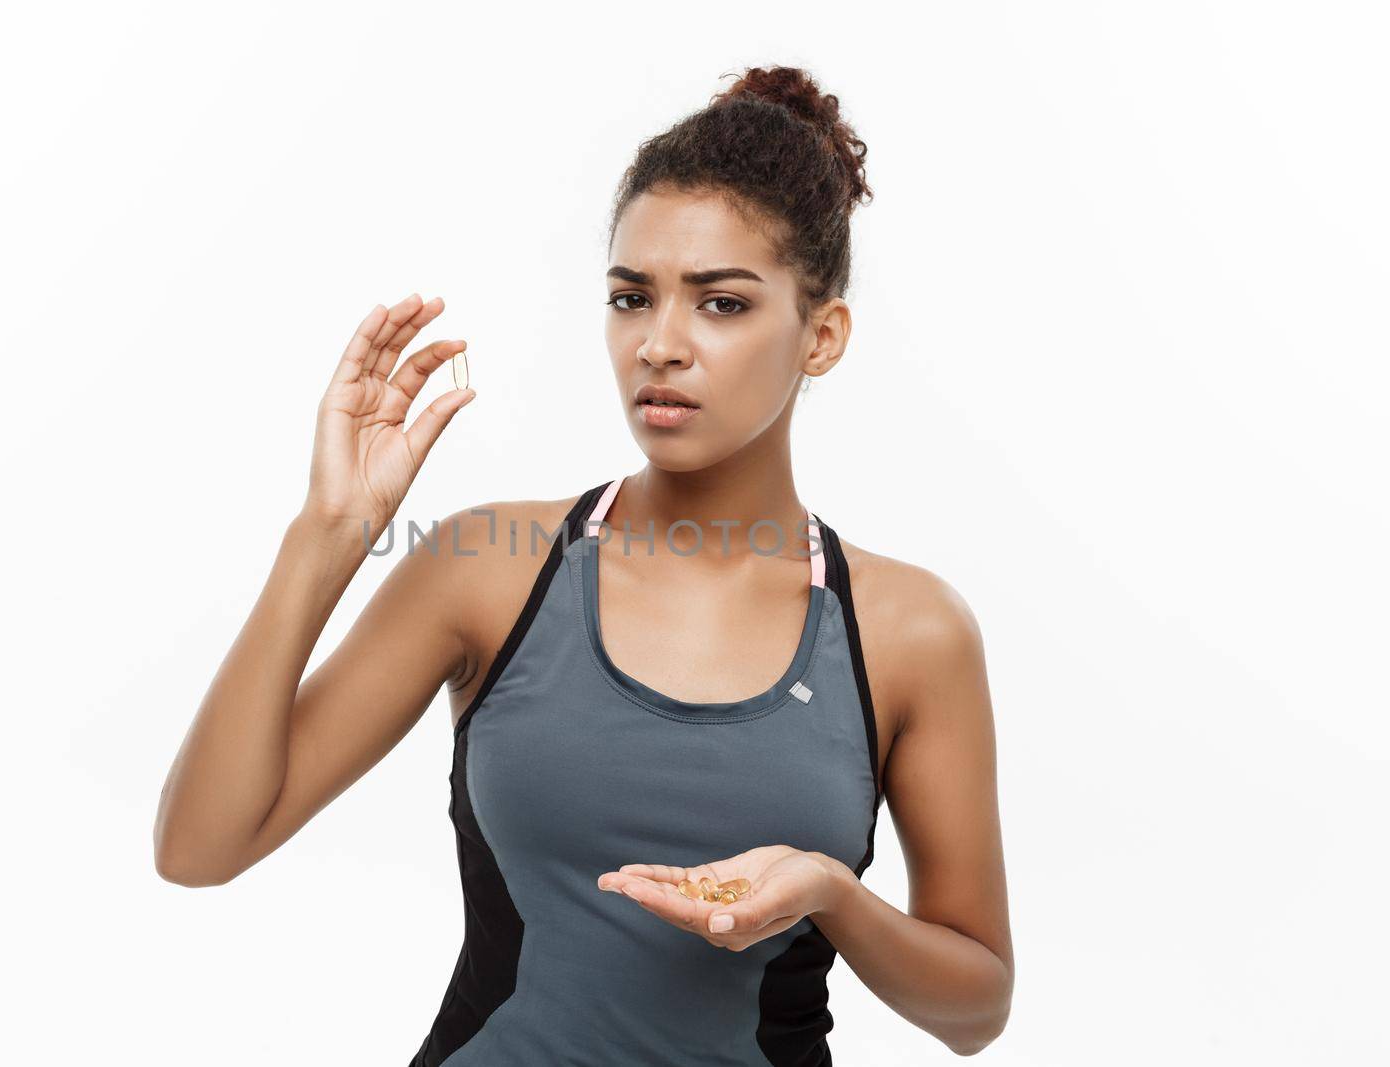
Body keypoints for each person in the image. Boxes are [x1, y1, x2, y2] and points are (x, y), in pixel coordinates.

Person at [154, 64, 1013, 1064]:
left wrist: (830, 891)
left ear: (820, 335)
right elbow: (199, 848)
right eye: (630, 296)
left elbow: (975, 1007)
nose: (660, 344)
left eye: (721, 304)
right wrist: (324, 539)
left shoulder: (907, 630)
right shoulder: (487, 568)